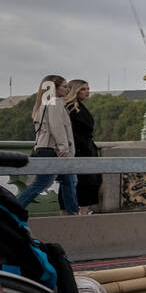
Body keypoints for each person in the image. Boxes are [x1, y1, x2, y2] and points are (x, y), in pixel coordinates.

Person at [17, 74, 78, 215]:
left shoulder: (43, 105)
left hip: (45, 149)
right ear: (54, 88)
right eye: (64, 86)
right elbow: (57, 127)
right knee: (41, 184)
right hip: (54, 151)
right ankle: (10, 211)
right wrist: (64, 148)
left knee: (69, 182)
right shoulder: (55, 102)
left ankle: (73, 215)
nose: (67, 90)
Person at [64, 80, 99, 214]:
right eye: (83, 89)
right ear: (75, 91)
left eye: (88, 89)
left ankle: (82, 212)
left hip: (86, 149)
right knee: (84, 183)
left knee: (88, 182)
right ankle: (82, 213)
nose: (87, 91)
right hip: (79, 151)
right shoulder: (71, 108)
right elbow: (72, 133)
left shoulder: (79, 106)